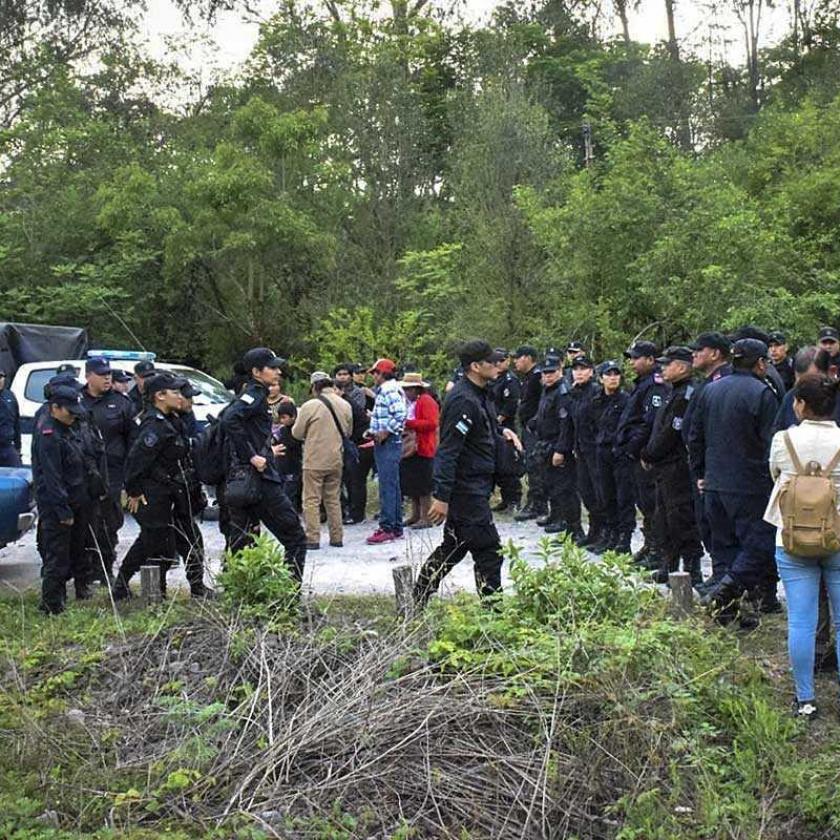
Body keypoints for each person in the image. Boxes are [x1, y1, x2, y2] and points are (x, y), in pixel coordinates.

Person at [413, 341, 517, 607]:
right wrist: (442, 495)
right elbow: (448, 450)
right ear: (475, 366)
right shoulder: (462, 399)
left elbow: (481, 433)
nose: (497, 365)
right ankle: (493, 615)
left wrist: (503, 433)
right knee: (488, 551)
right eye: (491, 361)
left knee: (455, 546)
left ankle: (417, 597)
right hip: (466, 488)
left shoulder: (482, 393)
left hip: (478, 485)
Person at [764, 373, 840, 718]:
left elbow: (775, 475)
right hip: (837, 534)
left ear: (802, 404)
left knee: (801, 621)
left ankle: (805, 699)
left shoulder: (783, 439)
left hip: (792, 536)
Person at [688, 338, 779, 622]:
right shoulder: (762, 393)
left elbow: (694, 436)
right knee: (758, 544)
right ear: (760, 362)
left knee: (724, 547)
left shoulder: (710, 390)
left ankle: (728, 610)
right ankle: (725, 595)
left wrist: (701, 473)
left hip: (714, 483)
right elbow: (771, 445)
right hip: (749, 485)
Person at [113, 373, 210, 599]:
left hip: (173, 495)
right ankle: (150, 593)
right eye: (175, 392)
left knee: (188, 540)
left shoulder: (172, 420)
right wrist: (134, 492)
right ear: (160, 396)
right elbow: (136, 462)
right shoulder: (154, 426)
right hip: (154, 497)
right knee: (158, 548)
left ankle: (196, 587)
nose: (180, 397)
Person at [220, 348, 307, 582]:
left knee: (243, 543)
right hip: (258, 479)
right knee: (296, 538)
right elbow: (230, 419)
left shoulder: (254, 393)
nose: (278, 372)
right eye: (272, 367)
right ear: (257, 372)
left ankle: (240, 598)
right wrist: (251, 455)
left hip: (245, 480)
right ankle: (289, 597)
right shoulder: (255, 393)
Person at [640, 346, 703, 586]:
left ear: (683, 366)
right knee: (663, 518)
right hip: (663, 467)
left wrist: (650, 453)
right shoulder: (672, 391)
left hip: (677, 466)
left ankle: (691, 568)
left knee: (681, 517)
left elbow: (672, 433)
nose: (663, 368)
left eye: (668, 364)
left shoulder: (687, 394)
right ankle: (669, 563)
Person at [32, 385, 91, 615]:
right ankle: (51, 605)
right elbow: (52, 477)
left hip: (74, 499)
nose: (73, 416)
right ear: (54, 408)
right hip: (57, 506)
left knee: (72, 551)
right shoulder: (49, 434)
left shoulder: (65, 426)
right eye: (69, 412)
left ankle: (60, 598)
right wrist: (62, 510)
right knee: (56, 556)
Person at [80, 356, 137, 584]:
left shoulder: (122, 403)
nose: (107, 378)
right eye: (101, 374)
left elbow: (133, 440)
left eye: (109, 374)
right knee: (83, 523)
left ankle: (104, 569)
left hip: (112, 473)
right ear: (88, 376)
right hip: (82, 473)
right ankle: (83, 571)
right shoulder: (76, 400)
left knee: (108, 524)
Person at [614, 341, 670, 568]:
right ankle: (650, 544)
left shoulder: (655, 385)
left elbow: (649, 423)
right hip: (635, 454)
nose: (632, 363)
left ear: (650, 359)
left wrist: (635, 448)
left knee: (652, 504)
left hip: (647, 456)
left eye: (636, 358)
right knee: (644, 504)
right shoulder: (642, 384)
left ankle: (658, 550)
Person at [292, 371, 352, 550]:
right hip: (336, 459)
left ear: (314, 387)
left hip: (314, 460)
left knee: (311, 500)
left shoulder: (310, 406)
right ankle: (336, 537)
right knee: (333, 499)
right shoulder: (345, 404)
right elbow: (348, 432)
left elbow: (297, 433)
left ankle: (313, 538)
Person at [533, 355, 584, 541]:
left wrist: (561, 450)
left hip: (557, 445)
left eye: (552, 372)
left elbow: (565, 424)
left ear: (560, 371)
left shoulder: (562, 392)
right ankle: (564, 524)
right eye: (545, 373)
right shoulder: (548, 391)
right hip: (546, 444)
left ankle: (574, 529)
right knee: (553, 487)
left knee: (566, 490)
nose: (548, 376)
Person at [592, 360, 635, 554]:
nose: (613, 378)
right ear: (601, 378)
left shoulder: (626, 399)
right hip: (601, 452)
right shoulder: (597, 400)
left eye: (616, 374)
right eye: (608, 374)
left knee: (624, 496)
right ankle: (611, 533)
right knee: (606, 495)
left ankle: (624, 538)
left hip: (620, 453)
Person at [366, 358, 407, 545]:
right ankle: (396, 525)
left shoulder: (389, 390)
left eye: (375, 373)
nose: (373, 376)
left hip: (388, 442)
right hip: (388, 441)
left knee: (387, 485)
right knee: (393, 484)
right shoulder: (389, 389)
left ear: (382, 373)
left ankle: (387, 527)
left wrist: (385, 431)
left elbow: (400, 414)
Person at [569, 355, 605, 547]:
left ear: (591, 371)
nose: (579, 372)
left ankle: (604, 533)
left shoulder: (596, 392)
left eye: (583, 369)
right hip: (581, 449)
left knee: (600, 492)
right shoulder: (575, 392)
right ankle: (594, 530)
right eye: (576, 369)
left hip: (595, 450)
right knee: (586, 491)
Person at [399, 371, 440, 529]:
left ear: (416, 389)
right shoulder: (412, 402)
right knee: (413, 484)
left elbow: (431, 423)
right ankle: (415, 515)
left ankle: (426, 517)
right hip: (412, 448)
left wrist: (409, 423)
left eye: (408, 389)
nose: (406, 392)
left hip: (423, 448)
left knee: (424, 486)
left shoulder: (426, 401)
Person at [334, 363, 372, 524]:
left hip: (361, 443)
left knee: (356, 479)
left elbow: (349, 425)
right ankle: (352, 511)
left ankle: (357, 514)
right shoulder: (345, 401)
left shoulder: (348, 401)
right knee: (350, 479)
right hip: (355, 443)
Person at [513, 346, 547, 521]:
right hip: (528, 427)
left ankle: (538, 504)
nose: (515, 361)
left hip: (535, 429)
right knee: (531, 465)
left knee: (535, 466)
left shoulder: (537, 377)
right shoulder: (528, 378)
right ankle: (535, 502)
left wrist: (535, 422)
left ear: (527, 358)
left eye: (518, 357)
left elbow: (543, 402)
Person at [490, 350, 522, 512]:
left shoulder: (510, 380)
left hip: (506, 427)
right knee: (497, 466)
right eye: (496, 361)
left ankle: (514, 500)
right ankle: (505, 498)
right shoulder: (492, 378)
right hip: (492, 428)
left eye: (502, 360)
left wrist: (498, 420)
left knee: (508, 466)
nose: (499, 363)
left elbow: (511, 404)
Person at [272, 401, 302, 508]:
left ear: (293, 416)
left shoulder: (297, 431)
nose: (281, 420)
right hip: (282, 466)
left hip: (293, 467)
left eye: (284, 417)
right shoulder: (281, 430)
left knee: (289, 495)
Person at [0, 369, 21, 467]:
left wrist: (18, 447)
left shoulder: (10, 396)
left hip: (7, 447)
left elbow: (16, 423)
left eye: (1, 377)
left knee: (17, 475)